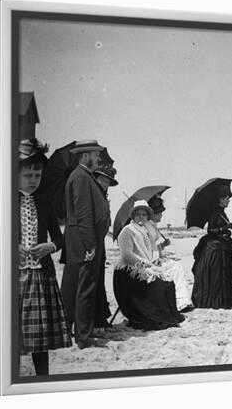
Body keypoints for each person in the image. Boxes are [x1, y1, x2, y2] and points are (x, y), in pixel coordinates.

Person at [17, 139, 71, 375]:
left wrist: (50, 246)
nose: (33, 181)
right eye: (27, 175)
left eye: (37, 175)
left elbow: (60, 238)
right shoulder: (4, 201)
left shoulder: (45, 203)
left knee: (40, 337)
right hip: (14, 276)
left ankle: (42, 378)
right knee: (13, 336)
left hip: (41, 277)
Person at [61, 140, 111, 349]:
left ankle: (79, 332)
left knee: (76, 287)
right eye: (95, 154)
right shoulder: (81, 177)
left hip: (81, 240)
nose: (98, 158)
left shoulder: (83, 176)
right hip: (85, 241)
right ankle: (83, 336)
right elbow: (83, 214)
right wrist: (90, 245)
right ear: (84, 156)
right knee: (85, 288)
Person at [113, 200, 185, 330]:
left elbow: (149, 251)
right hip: (129, 271)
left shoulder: (145, 230)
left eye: (144, 214)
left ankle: (169, 314)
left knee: (167, 282)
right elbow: (126, 255)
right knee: (158, 286)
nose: (141, 216)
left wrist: (153, 261)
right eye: (138, 214)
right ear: (133, 216)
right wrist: (144, 264)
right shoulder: (127, 231)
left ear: (147, 217)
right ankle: (152, 316)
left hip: (143, 266)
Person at [191, 185, 232, 309]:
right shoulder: (215, 212)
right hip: (215, 250)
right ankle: (215, 301)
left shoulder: (222, 212)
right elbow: (211, 230)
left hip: (221, 248)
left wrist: (226, 230)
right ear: (220, 199)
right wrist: (224, 228)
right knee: (216, 277)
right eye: (226, 198)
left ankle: (221, 301)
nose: (228, 200)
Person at [146, 195, 193, 312]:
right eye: (160, 213)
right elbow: (148, 249)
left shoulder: (152, 226)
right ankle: (181, 302)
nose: (161, 215)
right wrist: (159, 256)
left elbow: (154, 247)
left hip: (155, 260)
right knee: (177, 268)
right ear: (154, 213)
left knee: (176, 267)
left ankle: (181, 301)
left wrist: (163, 245)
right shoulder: (147, 227)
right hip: (151, 263)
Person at [91, 164, 119, 332]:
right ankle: (95, 320)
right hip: (92, 242)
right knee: (93, 281)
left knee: (99, 278)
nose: (105, 183)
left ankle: (99, 318)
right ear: (96, 178)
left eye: (107, 181)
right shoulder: (93, 195)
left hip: (100, 243)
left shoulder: (103, 197)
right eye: (102, 179)